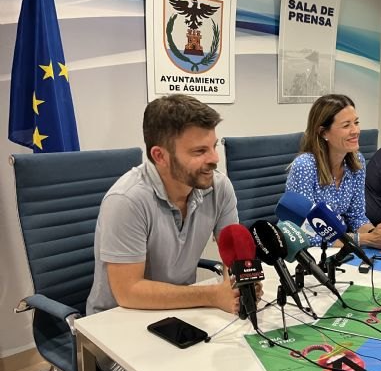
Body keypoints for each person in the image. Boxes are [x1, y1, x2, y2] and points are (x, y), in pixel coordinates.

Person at [86, 94, 262, 316]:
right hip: (117, 320)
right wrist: (213, 295)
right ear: (160, 156)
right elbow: (128, 291)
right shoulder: (127, 200)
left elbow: (234, 252)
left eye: (213, 146)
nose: (215, 158)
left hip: (181, 309)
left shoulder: (219, 187)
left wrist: (238, 286)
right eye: (200, 151)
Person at [285, 94, 381, 250]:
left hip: (340, 246)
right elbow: (307, 233)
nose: (356, 131)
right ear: (323, 132)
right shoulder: (305, 166)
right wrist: (365, 239)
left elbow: (357, 217)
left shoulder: (356, 162)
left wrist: (377, 234)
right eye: (346, 126)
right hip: (304, 251)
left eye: (356, 123)